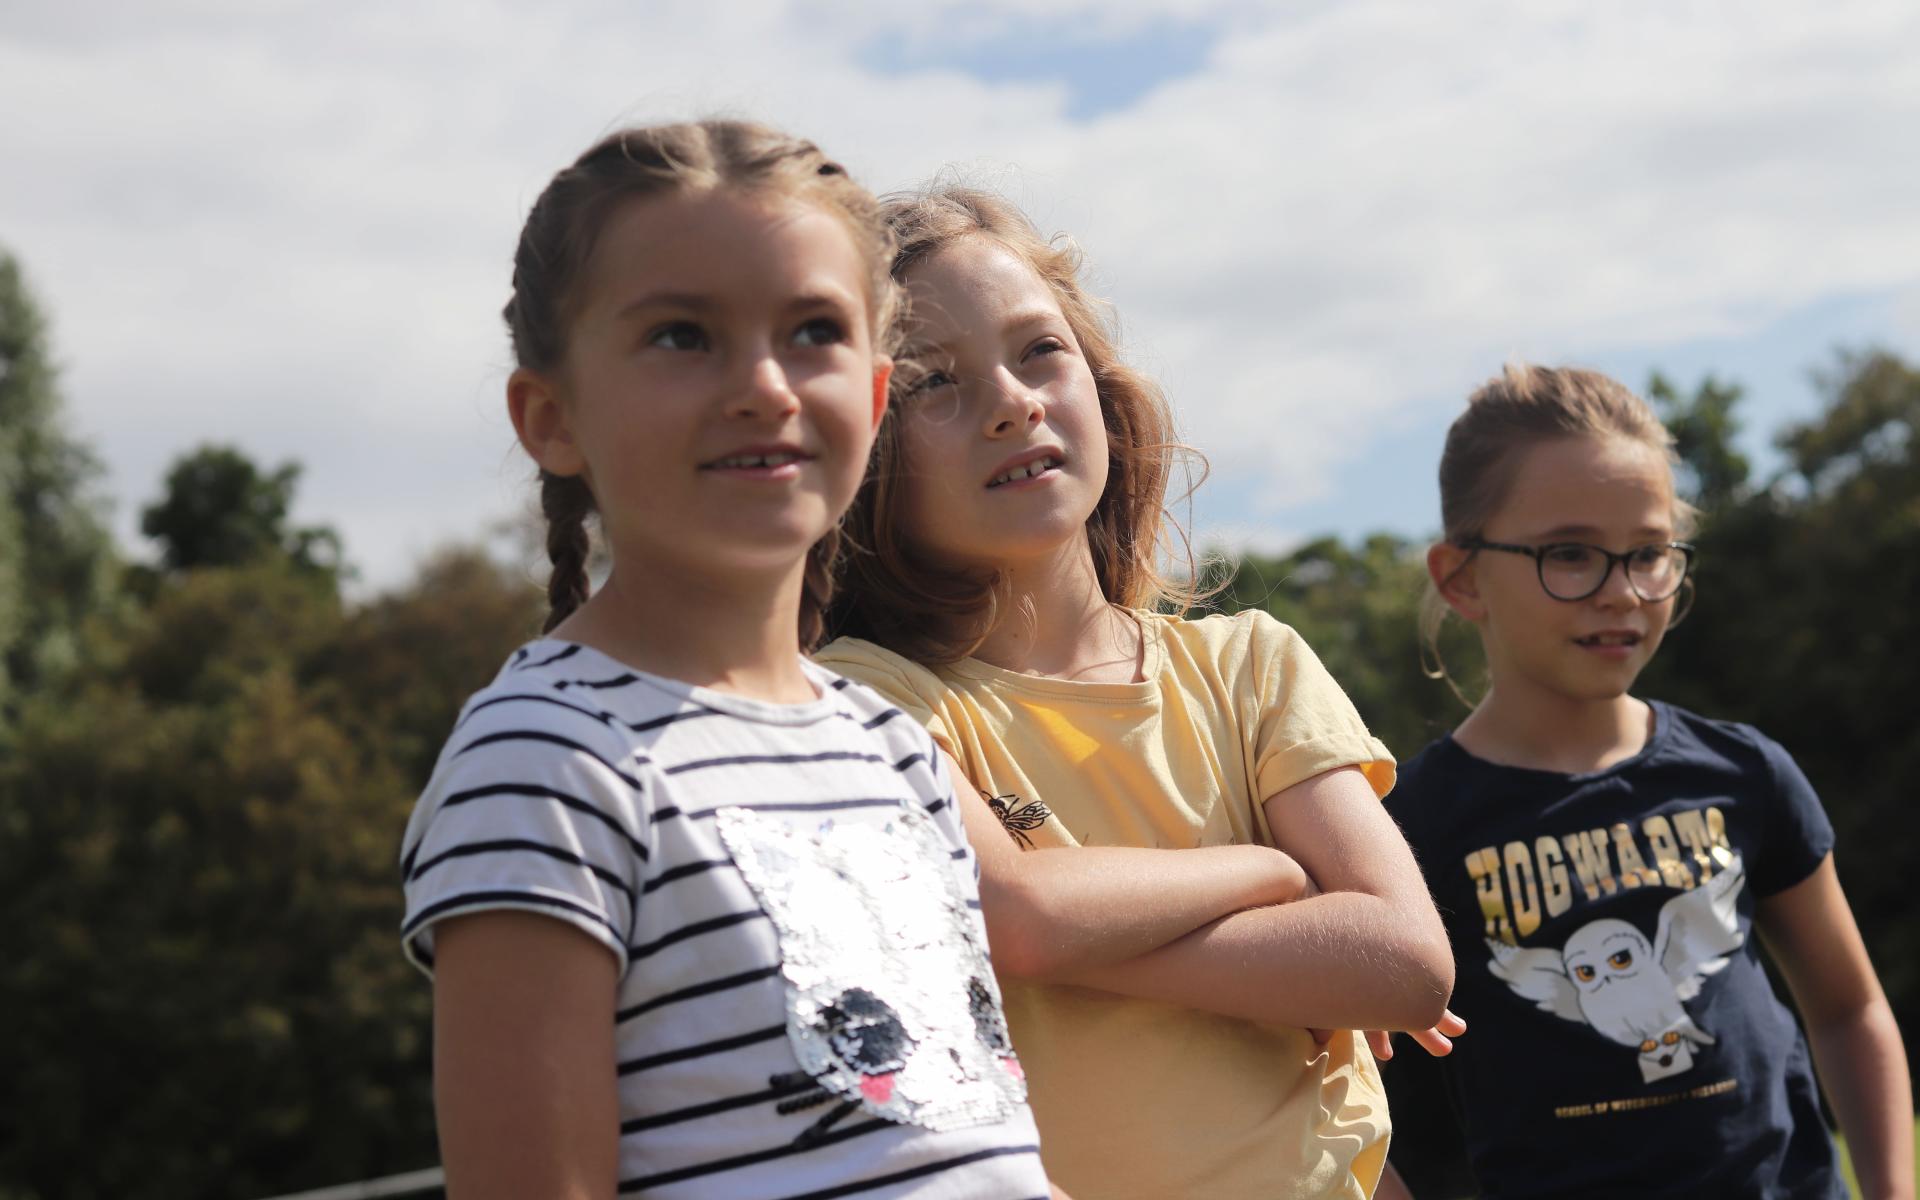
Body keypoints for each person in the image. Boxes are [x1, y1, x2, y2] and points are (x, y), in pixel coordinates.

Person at [398, 122, 1060, 1200]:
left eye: (812, 330)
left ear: (878, 396)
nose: (764, 384)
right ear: (550, 418)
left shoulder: (892, 748)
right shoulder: (544, 764)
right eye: (680, 336)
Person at [816, 185, 1457, 1199]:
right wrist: (1276, 876)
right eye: (933, 384)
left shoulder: (1253, 664)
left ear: (1101, 385)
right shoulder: (865, 699)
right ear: (862, 452)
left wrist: (1077, 934)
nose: (1011, 401)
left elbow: (1408, 961)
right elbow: (1019, 914)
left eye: (1040, 350)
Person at [1376, 364, 1913, 1200]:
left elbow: (1850, 1010)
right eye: (1570, 554)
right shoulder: (1401, 830)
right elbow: (1366, 1114)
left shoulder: (1745, 772)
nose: (1621, 593)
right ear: (1462, 578)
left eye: (1650, 553)